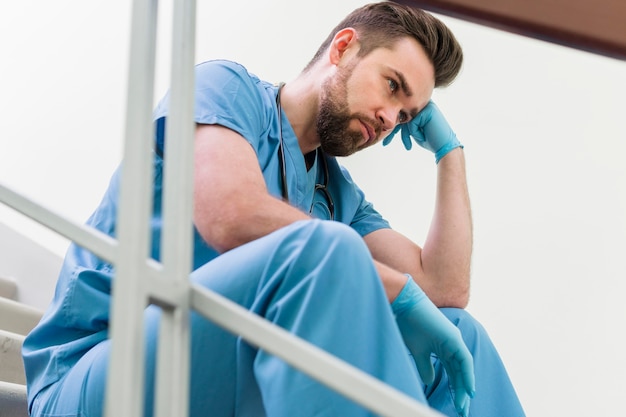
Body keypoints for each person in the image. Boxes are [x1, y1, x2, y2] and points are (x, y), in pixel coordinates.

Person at [22, 2, 525, 417]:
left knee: (460, 333)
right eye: (392, 86)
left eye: (407, 115)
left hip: (210, 371)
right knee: (326, 249)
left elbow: (445, 288)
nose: (390, 119)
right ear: (343, 47)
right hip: (94, 377)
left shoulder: (336, 192)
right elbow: (231, 214)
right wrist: (394, 291)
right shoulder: (226, 88)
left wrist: (449, 154)